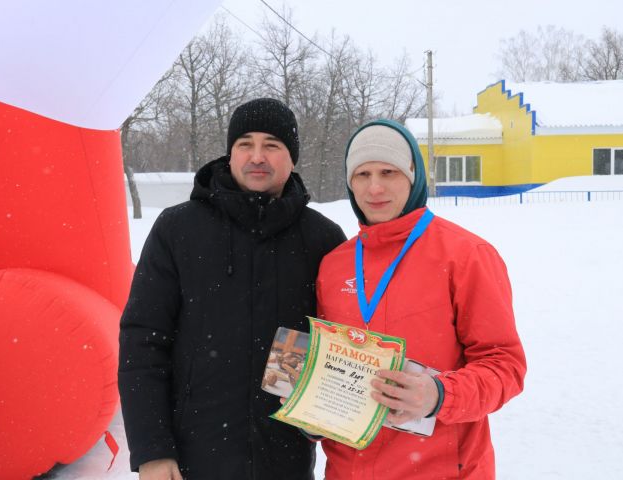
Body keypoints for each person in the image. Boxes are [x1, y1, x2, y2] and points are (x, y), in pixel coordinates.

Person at [118, 98, 346, 480]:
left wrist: (325, 413)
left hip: (285, 460)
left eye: (272, 145)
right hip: (194, 459)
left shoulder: (323, 239)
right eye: (245, 144)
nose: (257, 156)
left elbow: (340, 343)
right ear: (230, 153)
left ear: (292, 158)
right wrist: (152, 450)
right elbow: (143, 343)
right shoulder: (178, 230)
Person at [315, 119, 526, 479]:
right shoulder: (335, 265)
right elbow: (325, 362)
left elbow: (504, 366)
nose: (375, 187)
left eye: (389, 172)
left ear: (413, 176)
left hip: (442, 470)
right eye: (362, 174)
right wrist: (313, 409)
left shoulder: (466, 255)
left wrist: (439, 395)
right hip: (350, 470)